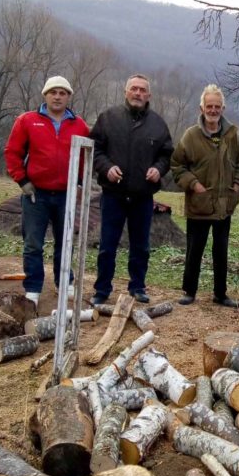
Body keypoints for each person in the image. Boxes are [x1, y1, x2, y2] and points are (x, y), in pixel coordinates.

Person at [4, 76, 90, 306]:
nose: (58, 96)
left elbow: (85, 158)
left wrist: (80, 183)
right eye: (53, 92)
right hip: (36, 194)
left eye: (63, 92)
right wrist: (22, 181)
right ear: (45, 95)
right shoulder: (28, 121)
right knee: (33, 243)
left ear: (68, 96)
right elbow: (12, 152)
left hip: (66, 195)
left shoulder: (79, 125)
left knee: (66, 242)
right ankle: (33, 287)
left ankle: (65, 283)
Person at [90, 74, 173, 304]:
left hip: (142, 195)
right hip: (113, 194)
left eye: (142, 90)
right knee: (107, 245)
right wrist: (106, 168)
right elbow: (95, 149)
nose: (137, 93)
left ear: (149, 95)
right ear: (125, 92)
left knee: (141, 246)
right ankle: (102, 290)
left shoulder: (158, 124)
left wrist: (158, 169)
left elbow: (166, 155)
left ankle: (137, 287)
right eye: (133, 89)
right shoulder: (108, 118)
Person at [171, 84, 239, 308]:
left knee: (221, 251)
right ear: (201, 108)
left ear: (223, 108)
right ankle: (189, 291)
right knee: (195, 249)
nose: (213, 110)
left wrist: (237, 184)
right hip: (199, 204)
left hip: (224, 205)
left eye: (217, 106)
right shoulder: (190, 136)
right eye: (209, 106)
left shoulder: (232, 135)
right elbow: (176, 165)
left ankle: (220, 294)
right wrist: (193, 184)